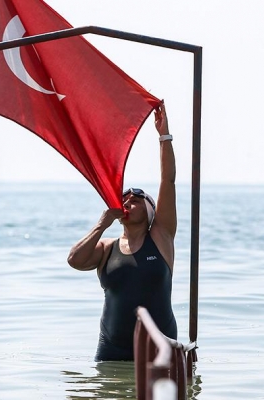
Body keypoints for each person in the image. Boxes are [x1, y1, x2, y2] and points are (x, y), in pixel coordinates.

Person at [67, 102, 177, 361]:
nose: (128, 202)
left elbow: (168, 181)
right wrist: (102, 223)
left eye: (136, 200)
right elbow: (74, 260)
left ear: (151, 213)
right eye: (124, 199)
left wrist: (164, 136)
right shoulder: (107, 248)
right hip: (111, 352)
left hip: (158, 350)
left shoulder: (161, 237)